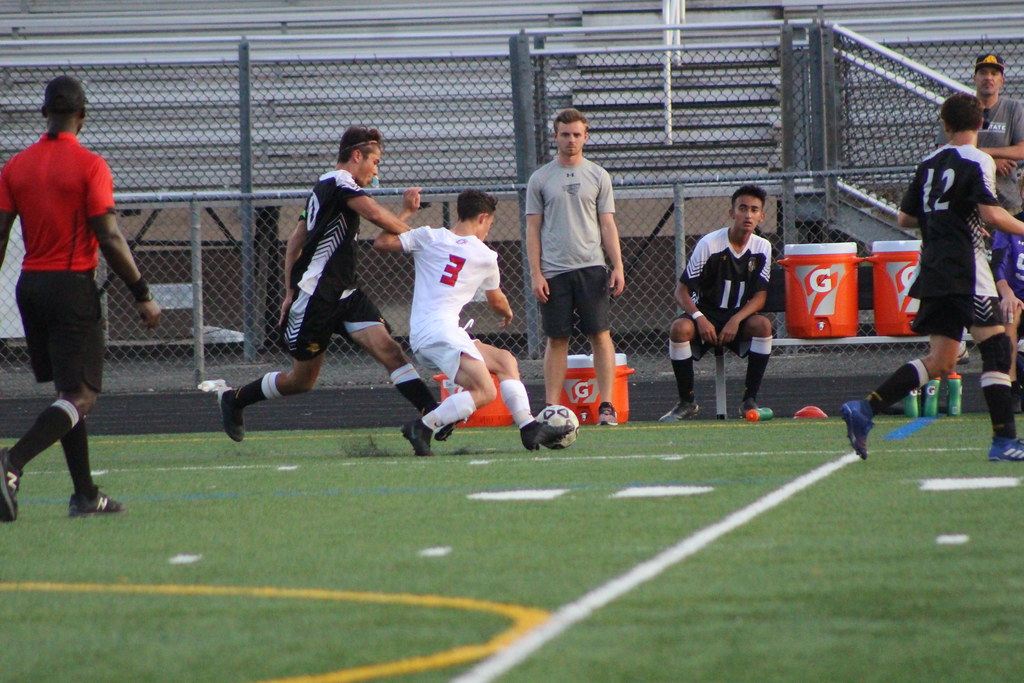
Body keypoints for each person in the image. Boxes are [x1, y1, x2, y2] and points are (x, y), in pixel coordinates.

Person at [0, 75, 163, 522]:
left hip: (30, 287)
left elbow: (0, 233)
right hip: (71, 285)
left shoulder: (15, 166)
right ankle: (11, 462)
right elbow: (108, 236)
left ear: (43, 114)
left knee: (67, 395)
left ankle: (86, 495)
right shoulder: (90, 165)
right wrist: (142, 294)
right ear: (83, 116)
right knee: (84, 395)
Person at [215, 126, 443, 442]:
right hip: (316, 296)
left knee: (390, 351)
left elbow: (296, 241)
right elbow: (374, 214)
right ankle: (234, 398)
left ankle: (433, 416)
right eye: (375, 162)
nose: (376, 170)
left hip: (345, 293)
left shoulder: (326, 186)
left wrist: (288, 290)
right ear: (357, 155)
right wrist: (430, 239)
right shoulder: (339, 182)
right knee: (301, 380)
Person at [843, 92, 1024, 462]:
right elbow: (992, 215)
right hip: (966, 268)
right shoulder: (979, 158)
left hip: (933, 269)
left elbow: (906, 218)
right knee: (997, 348)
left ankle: (865, 408)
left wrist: (954, 215)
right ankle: (1004, 441)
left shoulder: (928, 162)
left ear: (945, 125)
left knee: (941, 361)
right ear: (980, 125)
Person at [374, 189, 571, 456]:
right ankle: (422, 427)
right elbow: (496, 299)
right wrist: (507, 314)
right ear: (483, 217)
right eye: (490, 223)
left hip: (431, 333)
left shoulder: (430, 236)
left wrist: (408, 210)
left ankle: (528, 426)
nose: (489, 229)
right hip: (441, 333)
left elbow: (383, 242)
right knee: (485, 391)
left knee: (504, 361)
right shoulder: (485, 256)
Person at [525, 108, 625, 425]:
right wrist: (536, 273)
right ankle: (551, 408)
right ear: (555, 136)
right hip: (554, 272)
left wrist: (617, 266)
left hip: (592, 267)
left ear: (586, 137)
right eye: (565, 134)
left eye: (577, 134)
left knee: (600, 334)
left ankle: (606, 405)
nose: (571, 140)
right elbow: (532, 229)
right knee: (557, 338)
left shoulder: (598, 175)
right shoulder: (540, 178)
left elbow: (607, 225)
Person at [658, 185, 774, 421]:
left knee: (763, 326)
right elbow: (681, 292)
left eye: (754, 210)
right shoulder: (709, 244)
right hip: (706, 315)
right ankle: (686, 402)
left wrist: (735, 320)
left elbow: (760, 297)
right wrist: (699, 318)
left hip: (737, 319)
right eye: (743, 208)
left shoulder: (763, 247)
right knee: (679, 329)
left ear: (762, 216)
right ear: (732, 213)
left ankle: (749, 400)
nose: (748, 215)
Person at [938, 54, 1024, 214]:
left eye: (994, 73)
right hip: (968, 202)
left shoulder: (1013, 109)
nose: (988, 78)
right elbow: (945, 151)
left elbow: (1021, 150)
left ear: (1002, 80)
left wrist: (985, 155)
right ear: (975, 78)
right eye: (983, 72)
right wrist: (991, 161)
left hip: (1007, 202)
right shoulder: (960, 107)